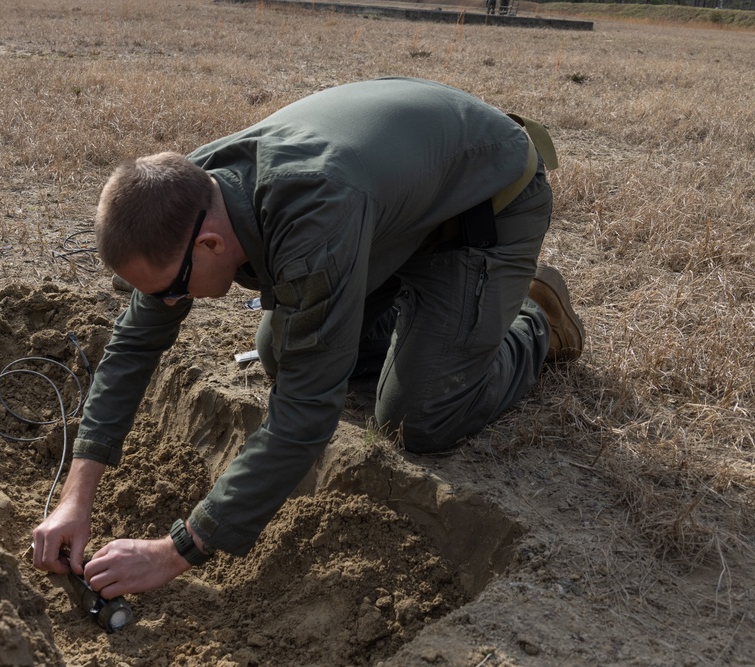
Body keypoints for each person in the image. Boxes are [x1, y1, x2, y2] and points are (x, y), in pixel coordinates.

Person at [31, 77, 584, 599]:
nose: (169, 303)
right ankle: (439, 324)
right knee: (279, 351)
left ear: (211, 245)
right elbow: (134, 343)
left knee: (418, 417)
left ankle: (533, 316)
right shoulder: (181, 196)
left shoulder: (312, 227)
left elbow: (304, 419)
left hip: (484, 202)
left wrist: (174, 550)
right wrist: (75, 500)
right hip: (389, 204)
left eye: (174, 290)